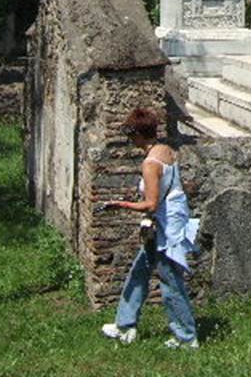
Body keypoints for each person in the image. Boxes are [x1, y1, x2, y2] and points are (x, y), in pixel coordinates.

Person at [100, 107, 200, 347]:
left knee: (170, 282)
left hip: (166, 228)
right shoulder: (166, 149)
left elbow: (151, 204)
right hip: (167, 221)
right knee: (140, 271)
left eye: (131, 135)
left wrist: (120, 204)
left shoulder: (150, 163)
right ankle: (125, 325)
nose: (130, 141)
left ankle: (186, 338)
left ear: (138, 135)